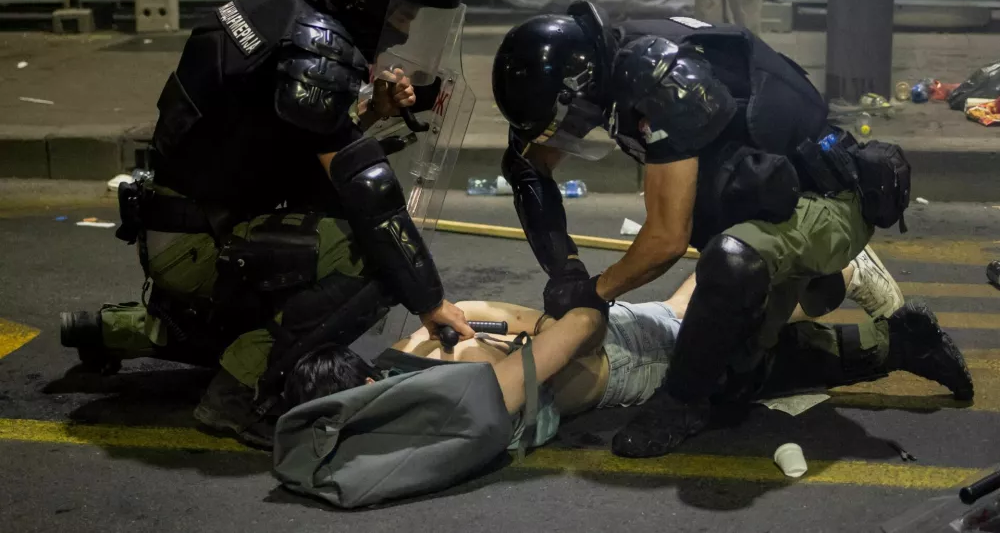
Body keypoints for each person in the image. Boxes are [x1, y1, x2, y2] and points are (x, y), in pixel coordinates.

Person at [59, 0, 475, 446]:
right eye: (400, 14)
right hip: (198, 244)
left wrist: (371, 112)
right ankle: (237, 396)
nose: (402, 31)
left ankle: (122, 329)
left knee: (322, 241)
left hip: (180, 220)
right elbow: (370, 195)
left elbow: (282, 142)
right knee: (371, 259)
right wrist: (430, 300)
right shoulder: (318, 47)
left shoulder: (278, 8)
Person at [490, 3, 969, 458]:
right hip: (760, 196)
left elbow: (666, 240)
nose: (572, 132)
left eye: (569, 119)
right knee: (735, 370)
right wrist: (565, 270)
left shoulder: (660, 78)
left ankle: (681, 404)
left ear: (580, 87)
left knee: (730, 265)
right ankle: (903, 341)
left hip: (826, 200)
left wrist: (593, 293)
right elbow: (531, 167)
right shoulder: (607, 61)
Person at [284, 252, 972, 452]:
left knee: (757, 357)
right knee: (693, 312)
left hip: (621, 360)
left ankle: (877, 321)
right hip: (611, 340)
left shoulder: (447, 384)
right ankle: (829, 268)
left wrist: (581, 305)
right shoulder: (416, 346)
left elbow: (564, 347)